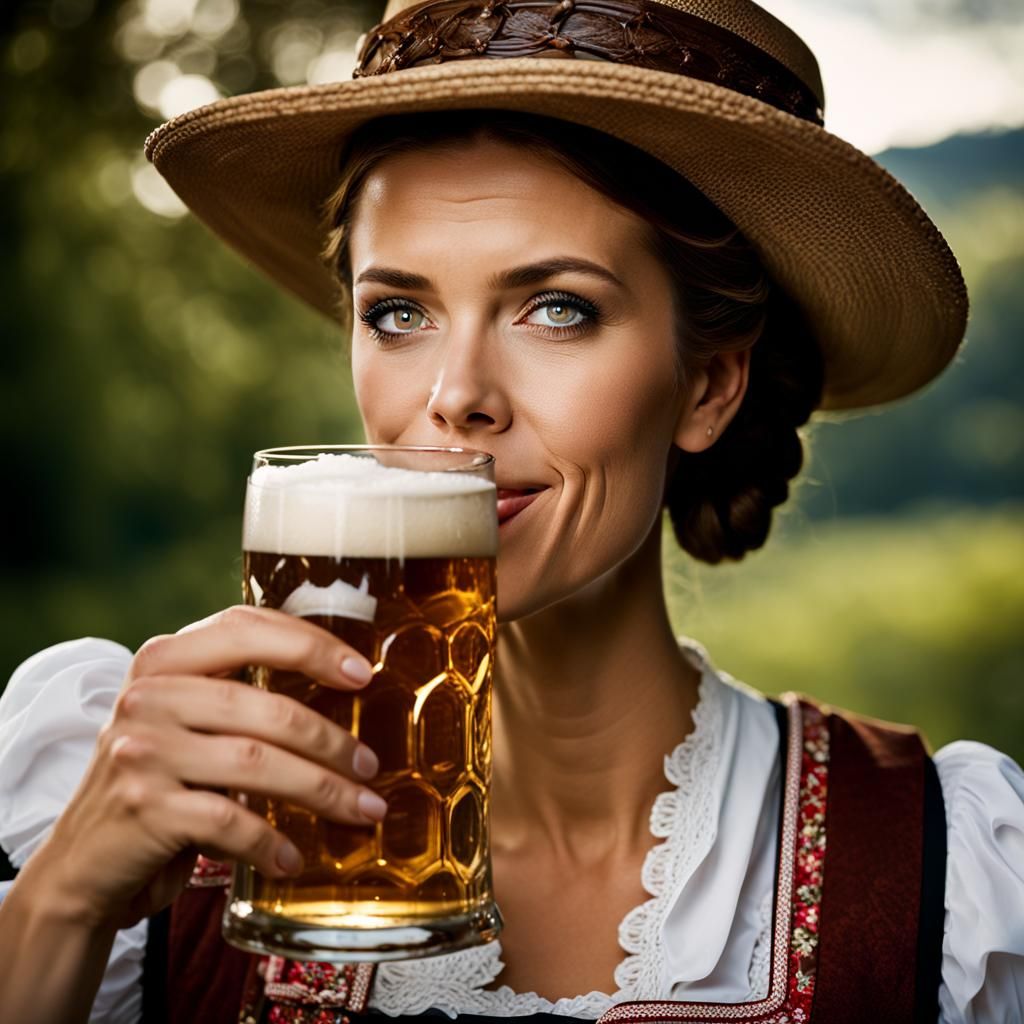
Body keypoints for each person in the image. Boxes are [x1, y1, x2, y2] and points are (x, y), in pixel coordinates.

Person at [1, 0, 1022, 1021]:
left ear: (708, 384)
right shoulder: (137, 802)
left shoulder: (946, 878)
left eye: (556, 308)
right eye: (398, 313)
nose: (455, 394)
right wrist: (60, 909)